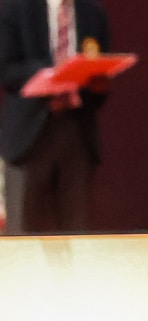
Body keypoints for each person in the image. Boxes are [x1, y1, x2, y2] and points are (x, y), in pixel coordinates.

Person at [0, 0, 112, 235]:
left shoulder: (93, 13)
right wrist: (54, 72)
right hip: (29, 135)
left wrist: (99, 83)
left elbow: (100, 85)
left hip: (77, 133)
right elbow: (6, 70)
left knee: (76, 231)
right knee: (22, 232)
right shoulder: (14, 9)